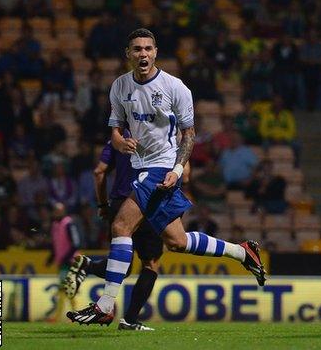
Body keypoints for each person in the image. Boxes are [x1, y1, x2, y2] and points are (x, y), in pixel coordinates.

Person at [67, 28, 266, 326]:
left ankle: (105, 305)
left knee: (121, 225)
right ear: (128, 54)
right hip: (139, 166)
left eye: (148, 48)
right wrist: (120, 143)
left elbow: (189, 135)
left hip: (161, 167)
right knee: (177, 241)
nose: (143, 54)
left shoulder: (176, 88)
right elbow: (116, 130)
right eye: (136, 49)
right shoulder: (120, 86)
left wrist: (176, 170)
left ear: (156, 52)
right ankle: (242, 252)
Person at [62, 134, 163, 331]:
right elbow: (183, 174)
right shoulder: (154, 135)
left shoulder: (116, 141)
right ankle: (130, 320)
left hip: (118, 204)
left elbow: (99, 172)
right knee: (150, 264)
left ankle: (89, 266)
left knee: (122, 268)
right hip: (144, 202)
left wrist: (102, 204)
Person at [46, 202, 80, 322]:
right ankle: (69, 315)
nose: (57, 213)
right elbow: (56, 244)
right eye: (55, 210)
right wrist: (52, 257)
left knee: (64, 288)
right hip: (62, 261)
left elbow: (75, 244)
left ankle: (61, 316)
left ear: (64, 211)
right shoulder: (55, 225)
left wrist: (66, 258)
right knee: (66, 288)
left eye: (59, 210)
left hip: (70, 261)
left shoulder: (69, 224)